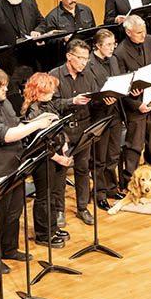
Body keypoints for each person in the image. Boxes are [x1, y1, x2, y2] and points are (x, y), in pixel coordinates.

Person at [0, 67, 56, 274]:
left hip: (15, 163)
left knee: (14, 211)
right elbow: (6, 135)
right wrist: (37, 125)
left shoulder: (4, 102)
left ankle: (9, 248)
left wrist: (38, 121)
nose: (6, 89)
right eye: (1, 86)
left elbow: (16, 123)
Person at [115, 15, 151, 184]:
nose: (143, 35)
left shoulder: (149, 40)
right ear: (128, 32)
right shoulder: (120, 53)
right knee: (134, 145)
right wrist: (137, 104)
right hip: (135, 105)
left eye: (144, 31)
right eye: (139, 32)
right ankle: (129, 180)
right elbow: (121, 84)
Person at [47, 41, 96, 226]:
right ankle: (59, 210)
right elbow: (50, 104)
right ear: (69, 56)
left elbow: (94, 96)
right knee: (61, 171)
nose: (84, 62)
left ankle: (82, 207)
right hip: (63, 131)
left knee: (83, 168)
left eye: (86, 58)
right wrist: (71, 101)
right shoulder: (55, 75)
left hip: (84, 127)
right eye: (80, 58)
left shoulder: (88, 75)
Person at [22, 73, 72, 239]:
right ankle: (44, 234)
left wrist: (64, 145)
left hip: (56, 154)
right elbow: (39, 144)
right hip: (44, 159)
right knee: (44, 196)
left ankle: (53, 228)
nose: (52, 93)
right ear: (38, 90)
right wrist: (58, 157)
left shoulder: (48, 104)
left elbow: (58, 127)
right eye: (48, 90)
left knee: (54, 194)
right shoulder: (32, 111)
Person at [84, 29, 124, 210]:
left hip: (115, 112)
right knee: (99, 157)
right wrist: (102, 98)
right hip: (98, 114)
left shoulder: (114, 60)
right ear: (97, 46)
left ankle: (110, 188)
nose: (112, 47)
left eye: (113, 43)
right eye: (108, 44)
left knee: (113, 153)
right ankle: (99, 192)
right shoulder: (89, 64)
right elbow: (89, 90)